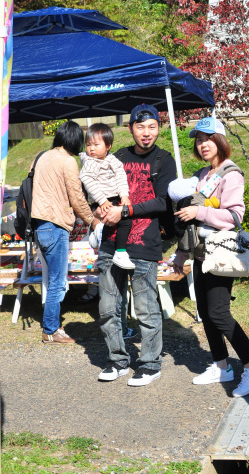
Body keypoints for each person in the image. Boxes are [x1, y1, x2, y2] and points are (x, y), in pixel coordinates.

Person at [173, 117, 249, 398]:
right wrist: (182, 253)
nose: (203, 144)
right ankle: (222, 366)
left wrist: (200, 212)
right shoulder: (206, 173)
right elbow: (190, 219)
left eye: (208, 138)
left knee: (218, 312)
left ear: (220, 141)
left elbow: (234, 216)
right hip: (202, 254)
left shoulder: (231, 174)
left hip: (220, 253)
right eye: (199, 140)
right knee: (205, 312)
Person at [96, 103, 176, 386]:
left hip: (144, 243)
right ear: (130, 128)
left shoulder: (164, 160)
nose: (146, 133)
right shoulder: (116, 156)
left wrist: (126, 211)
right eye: (140, 127)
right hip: (111, 242)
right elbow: (99, 188)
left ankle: (151, 364)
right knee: (108, 306)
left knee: (145, 307)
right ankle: (117, 360)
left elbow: (163, 201)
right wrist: (99, 209)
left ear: (158, 128)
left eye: (152, 127)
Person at [31, 121, 99, 344]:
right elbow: (77, 197)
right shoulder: (68, 161)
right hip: (56, 224)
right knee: (58, 281)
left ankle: (51, 327)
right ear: (76, 140)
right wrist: (92, 220)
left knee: (53, 278)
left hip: (40, 225)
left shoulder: (41, 156)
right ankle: (50, 330)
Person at [79, 123, 133, 270]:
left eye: (96, 144)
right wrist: (102, 200)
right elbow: (87, 180)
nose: (91, 148)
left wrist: (124, 195)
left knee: (123, 219)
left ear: (108, 146)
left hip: (114, 197)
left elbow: (121, 176)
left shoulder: (112, 160)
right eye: (88, 144)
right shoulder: (90, 162)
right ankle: (119, 251)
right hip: (100, 200)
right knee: (124, 221)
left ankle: (96, 233)